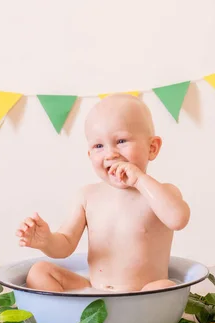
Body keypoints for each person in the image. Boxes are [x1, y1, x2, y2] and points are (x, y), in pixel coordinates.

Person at [16, 94, 190, 292]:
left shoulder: (162, 193)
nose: (110, 154)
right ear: (89, 154)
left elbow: (178, 219)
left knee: (164, 287)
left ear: (152, 148)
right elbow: (65, 244)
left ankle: (134, 319)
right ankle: (79, 315)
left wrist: (140, 180)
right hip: (94, 292)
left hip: (142, 296)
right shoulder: (87, 196)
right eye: (99, 146)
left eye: (121, 141)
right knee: (40, 271)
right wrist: (46, 241)